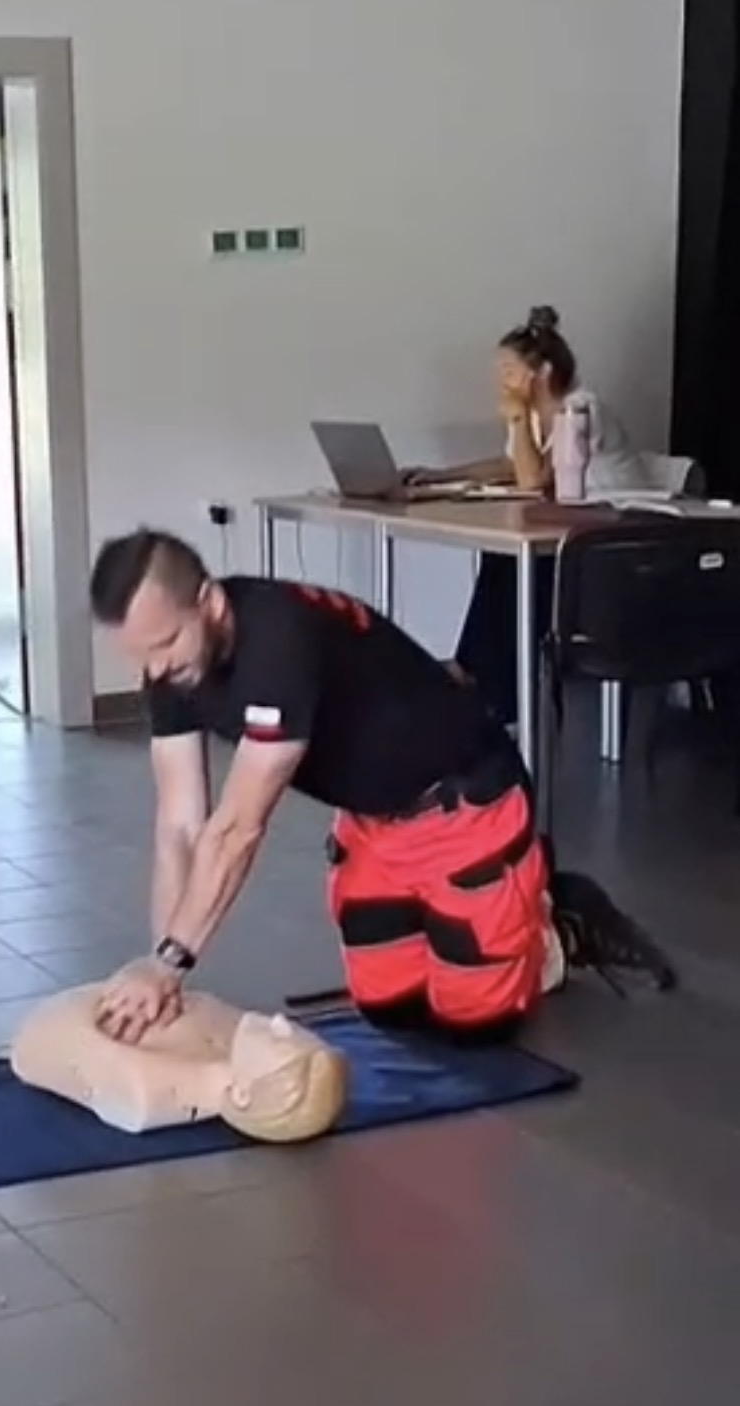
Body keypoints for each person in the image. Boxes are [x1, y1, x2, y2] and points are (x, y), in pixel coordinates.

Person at [87, 528, 674, 1045]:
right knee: (395, 1011)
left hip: (466, 800)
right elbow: (180, 826)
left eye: (165, 645)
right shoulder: (172, 671)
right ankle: (494, 922)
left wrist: (169, 964)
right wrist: (163, 965)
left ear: (210, 603)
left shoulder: (277, 643)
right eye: (142, 657)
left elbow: (236, 830)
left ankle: (557, 924)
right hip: (375, 823)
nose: (155, 671)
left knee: (476, 1025)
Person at [413, 306, 647, 724]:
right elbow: (511, 466)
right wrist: (439, 476)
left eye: (509, 370)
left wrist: (518, 418)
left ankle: (494, 690)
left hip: (617, 545)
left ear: (542, 372)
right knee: (501, 556)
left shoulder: (580, 409)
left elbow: (532, 478)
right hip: (573, 534)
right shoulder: (535, 418)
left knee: (521, 568)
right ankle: (478, 677)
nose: (500, 380)